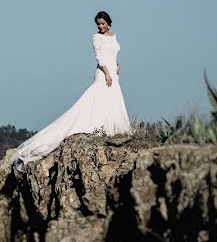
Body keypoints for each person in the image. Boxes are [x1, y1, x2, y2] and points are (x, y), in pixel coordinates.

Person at [12, 11, 132, 172]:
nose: (100, 26)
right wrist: (108, 74)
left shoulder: (114, 36)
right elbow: (99, 57)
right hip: (103, 74)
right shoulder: (96, 37)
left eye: (103, 23)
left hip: (113, 73)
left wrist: (117, 64)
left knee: (112, 101)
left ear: (108, 23)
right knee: (95, 100)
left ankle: (113, 130)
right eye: (98, 24)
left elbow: (112, 53)